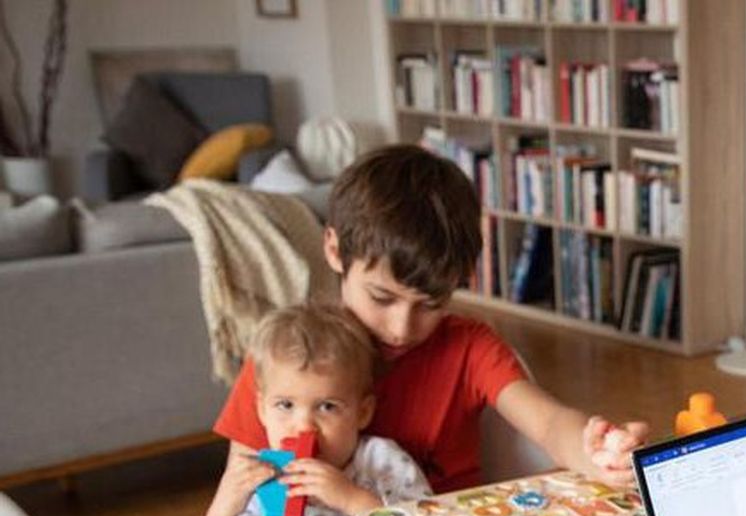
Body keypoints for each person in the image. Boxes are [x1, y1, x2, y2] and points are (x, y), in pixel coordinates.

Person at [211, 144, 647, 495]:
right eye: (381, 297)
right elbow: (245, 491)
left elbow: (549, 422)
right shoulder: (288, 356)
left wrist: (596, 452)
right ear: (334, 249)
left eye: (430, 304)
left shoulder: (469, 348)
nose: (401, 327)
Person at [196, 303, 432, 516]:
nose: (304, 426)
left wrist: (352, 500)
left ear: (363, 412)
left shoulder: (382, 460)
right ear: (262, 410)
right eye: (285, 405)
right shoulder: (262, 475)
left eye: (327, 406)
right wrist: (222, 511)